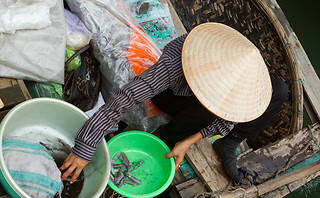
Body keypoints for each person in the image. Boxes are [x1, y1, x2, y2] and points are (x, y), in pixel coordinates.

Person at [60, 22, 288, 184]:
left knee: (278, 89)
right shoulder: (176, 61)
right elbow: (124, 98)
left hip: (199, 110)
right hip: (172, 96)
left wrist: (189, 141)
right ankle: (164, 137)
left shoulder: (241, 81)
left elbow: (228, 118)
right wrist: (85, 146)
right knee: (203, 109)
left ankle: (215, 142)